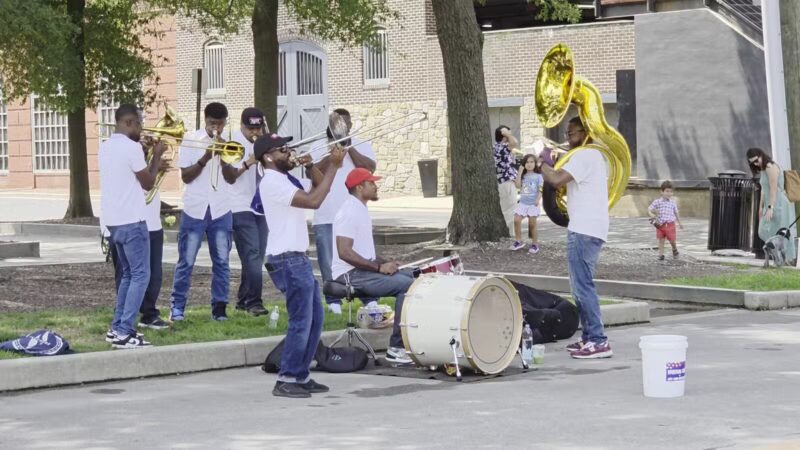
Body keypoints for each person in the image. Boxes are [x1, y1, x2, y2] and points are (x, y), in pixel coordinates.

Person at [256, 132, 346, 398]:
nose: (288, 152)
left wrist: (312, 166)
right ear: (268, 157)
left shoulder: (285, 178)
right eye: (282, 149)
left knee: (315, 318)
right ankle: (286, 378)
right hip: (286, 258)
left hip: (296, 257)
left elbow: (321, 191)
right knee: (301, 320)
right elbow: (314, 201)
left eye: (288, 147)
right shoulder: (272, 181)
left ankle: (301, 374)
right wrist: (336, 166)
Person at [538, 117, 612, 359]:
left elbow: (556, 179)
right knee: (579, 286)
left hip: (584, 228)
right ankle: (589, 337)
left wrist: (541, 164)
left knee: (582, 286)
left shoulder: (585, 155)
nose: (568, 138)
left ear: (585, 132)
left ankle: (599, 341)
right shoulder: (594, 157)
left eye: (572, 133)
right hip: (589, 227)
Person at [99, 104, 168, 348]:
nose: (141, 128)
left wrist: (145, 152)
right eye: (139, 123)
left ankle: (117, 327)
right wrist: (157, 155)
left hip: (114, 222)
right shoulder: (131, 148)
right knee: (141, 275)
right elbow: (148, 183)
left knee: (128, 274)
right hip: (132, 221)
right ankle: (125, 330)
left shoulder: (105, 146)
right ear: (128, 123)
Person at [331, 168, 415, 364]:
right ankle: (397, 347)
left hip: (360, 271)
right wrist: (378, 269)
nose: (376, 186)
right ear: (360, 187)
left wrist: (384, 262)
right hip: (349, 275)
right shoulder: (349, 212)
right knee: (408, 286)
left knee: (413, 277)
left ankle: (411, 340)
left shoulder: (359, 208)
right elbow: (345, 252)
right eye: (371, 183)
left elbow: (364, 252)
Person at [168, 102, 234, 322]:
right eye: (212, 123)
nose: (216, 128)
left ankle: (219, 307)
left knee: (222, 262)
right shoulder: (190, 140)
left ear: (225, 122)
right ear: (205, 121)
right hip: (195, 208)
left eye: (220, 123)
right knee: (186, 261)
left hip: (221, 208)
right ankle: (177, 306)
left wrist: (223, 156)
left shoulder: (228, 144)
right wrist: (206, 157)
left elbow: (232, 177)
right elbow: (186, 176)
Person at [313, 109, 377, 315]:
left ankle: (369, 299)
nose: (343, 127)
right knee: (328, 260)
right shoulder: (318, 145)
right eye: (338, 124)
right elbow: (315, 173)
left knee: (363, 256)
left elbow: (370, 169)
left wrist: (349, 149)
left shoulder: (361, 144)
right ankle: (333, 301)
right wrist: (332, 154)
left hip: (354, 214)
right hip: (326, 213)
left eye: (345, 124)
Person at [107, 144, 170, 332]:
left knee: (154, 275)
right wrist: (156, 159)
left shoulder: (144, 165)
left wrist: (155, 164)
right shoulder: (125, 165)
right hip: (131, 224)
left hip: (152, 224)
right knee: (129, 275)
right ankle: (125, 321)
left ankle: (148, 314)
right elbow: (145, 184)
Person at [225, 107, 268, 316]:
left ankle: (243, 300)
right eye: (251, 128)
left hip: (259, 206)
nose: (255, 132)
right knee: (251, 254)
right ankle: (254, 302)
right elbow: (231, 176)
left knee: (256, 256)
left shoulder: (260, 141)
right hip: (239, 206)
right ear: (241, 125)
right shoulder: (232, 143)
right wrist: (249, 161)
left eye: (258, 128)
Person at [747, 147, 797, 263]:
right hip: (770, 204)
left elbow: (774, 189)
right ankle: (780, 257)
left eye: (756, 159)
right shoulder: (763, 169)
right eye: (753, 162)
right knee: (763, 231)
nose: (756, 163)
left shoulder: (770, 167)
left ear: (761, 155)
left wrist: (771, 207)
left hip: (778, 204)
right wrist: (760, 207)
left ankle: (785, 259)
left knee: (779, 232)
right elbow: (764, 190)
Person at [510, 154, 544, 254]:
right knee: (516, 220)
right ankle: (518, 241)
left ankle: (535, 244)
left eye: (531, 162)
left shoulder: (538, 176)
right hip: (523, 203)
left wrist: (538, 199)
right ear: (524, 164)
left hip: (533, 203)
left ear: (535, 163)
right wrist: (520, 172)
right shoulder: (523, 175)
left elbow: (541, 189)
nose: (529, 164)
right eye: (527, 162)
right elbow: (517, 186)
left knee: (532, 224)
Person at [493, 125, 520, 234]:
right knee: (511, 210)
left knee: (507, 209)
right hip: (506, 183)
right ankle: (510, 234)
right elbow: (514, 142)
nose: (511, 136)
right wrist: (507, 133)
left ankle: (508, 233)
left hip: (503, 183)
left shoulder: (497, 147)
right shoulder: (501, 147)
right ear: (503, 135)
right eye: (509, 134)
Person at [648, 180, 684, 261]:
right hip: (660, 224)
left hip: (670, 224)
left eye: (671, 192)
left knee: (672, 240)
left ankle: (674, 249)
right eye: (667, 191)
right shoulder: (657, 202)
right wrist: (652, 215)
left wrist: (680, 223)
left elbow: (676, 213)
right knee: (661, 239)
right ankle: (661, 255)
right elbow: (649, 209)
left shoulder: (672, 203)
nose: (669, 193)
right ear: (661, 191)